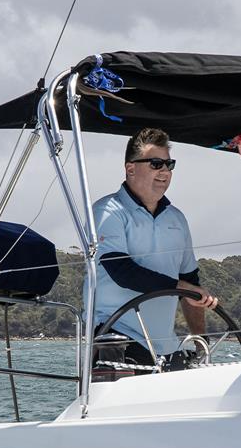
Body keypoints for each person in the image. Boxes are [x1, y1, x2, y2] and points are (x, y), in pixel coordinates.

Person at [87, 128, 218, 371]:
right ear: (130, 168)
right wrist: (183, 288)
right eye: (156, 163)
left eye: (169, 164)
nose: (165, 171)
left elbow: (191, 285)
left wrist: (201, 346)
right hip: (115, 339)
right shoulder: (107, 211)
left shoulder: (177, 219)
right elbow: (122, 271)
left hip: (167, 349)